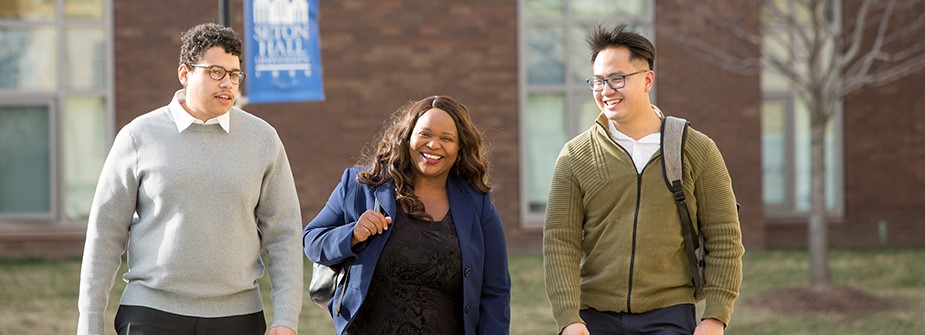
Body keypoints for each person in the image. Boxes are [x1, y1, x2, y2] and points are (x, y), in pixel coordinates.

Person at [77, 23, 303, 335]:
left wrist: (286, 319)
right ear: (184, 74)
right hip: (151, 312)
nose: (228, 83)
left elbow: (284, 233)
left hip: (238, 317)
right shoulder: (139, 136)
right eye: (215, 72)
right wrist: (89, 322)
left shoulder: (263, 139)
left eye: (234, 74)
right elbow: (105, 233)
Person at [542, 24, 745, 335]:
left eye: (617, 79)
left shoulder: (697, 149)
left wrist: (715, 316)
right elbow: (560, 242)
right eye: (597, 81)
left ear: (647, 79)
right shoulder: (575, 155)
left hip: (670, 316)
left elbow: (724, 236)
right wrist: (569, 319)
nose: (605, 90)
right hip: (595, 318)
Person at [303, 95, 511, 335]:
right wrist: (352, 234)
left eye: (446, 138)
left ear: (460, 148)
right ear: (407, 137)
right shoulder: (361, 185)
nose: (433, 145)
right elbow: (311, 240)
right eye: (425, 134)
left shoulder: (476, 203)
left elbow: (495, 289)